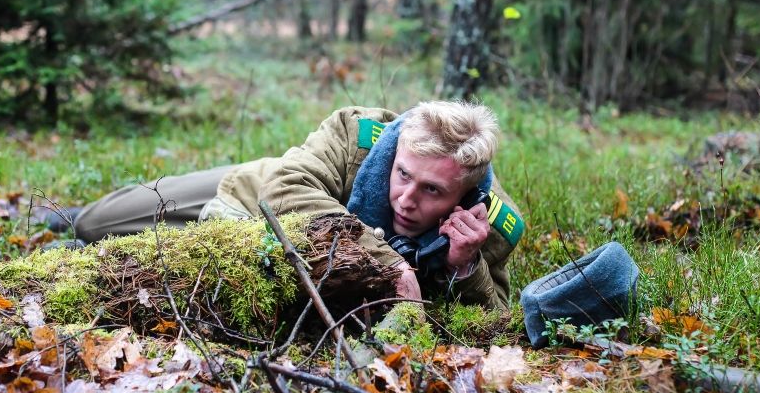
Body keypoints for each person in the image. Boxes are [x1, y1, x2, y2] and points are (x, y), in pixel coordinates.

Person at [71, 102, 524, 308]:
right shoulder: (355, 132)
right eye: (402, 175)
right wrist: (393, 265)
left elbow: (495, 314)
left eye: (431, 191)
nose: (406, 199)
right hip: (252, 192)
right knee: (92, 225)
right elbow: (285, 187)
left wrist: (464, 268)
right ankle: (66, 216)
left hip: (259, 230)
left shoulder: (492, 223)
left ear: (462, 194)